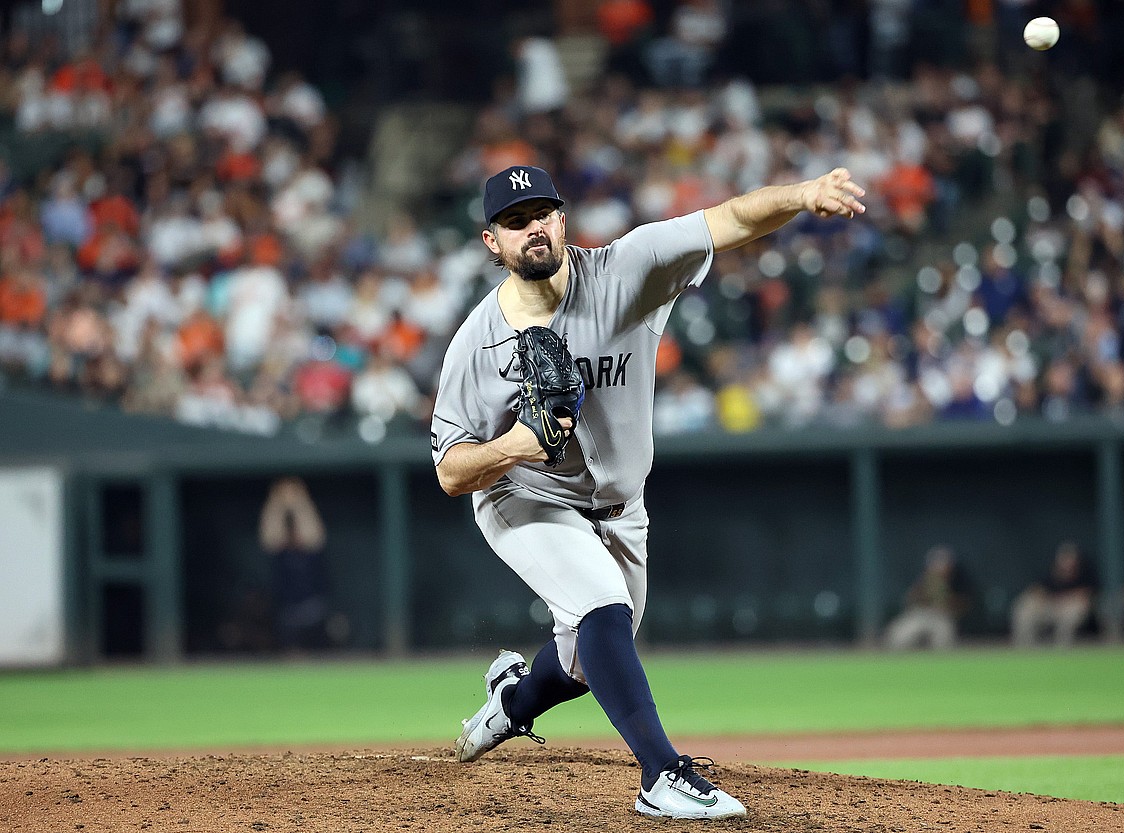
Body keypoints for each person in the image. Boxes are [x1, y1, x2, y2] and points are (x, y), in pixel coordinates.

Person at [432, 164, 866, 819]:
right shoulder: (476, 343)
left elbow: (732, 220)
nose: (534, 229)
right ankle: (661, 775)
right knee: (600, 605)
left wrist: (802, 196)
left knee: (589, 658)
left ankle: (511, 702)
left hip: (622, 509)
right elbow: (448, 470)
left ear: (562, 218)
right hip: (526, 498)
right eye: (515, 222)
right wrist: (515, 446)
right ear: (492, 242)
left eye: (542, 213)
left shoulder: (627, 269)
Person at [258, 476, 330, 651]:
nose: (294, 534)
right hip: (287, 611)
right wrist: (276, 501)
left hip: (313, 609)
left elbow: (314, 536)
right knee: (290, 650)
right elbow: (270, 538)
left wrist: (300, 501)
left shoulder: (310, 549)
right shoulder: (281, 550)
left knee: (318, 651)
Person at [1010, 541, 1098, 648]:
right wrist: (1045, 599)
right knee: (1025, 608)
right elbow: (1037, 590)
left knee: (1073, 611)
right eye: (1064, 559)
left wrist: (1062, 600)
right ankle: (1026, 650)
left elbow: (1085, 595)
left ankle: (1062, 651)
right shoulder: (1051, 573)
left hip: (1068, 607)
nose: (1067, 562)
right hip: (1050, 606)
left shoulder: (1084, 574)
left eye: (1070, 559)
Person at [882, 545, 970, 650]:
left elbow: (966, 605)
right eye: (936, 563)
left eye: (943, 564)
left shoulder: (959, 581)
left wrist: (947, 601)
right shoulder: (924, 578)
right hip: (921, 614)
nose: (940, 568)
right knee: (897, 638)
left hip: (944, 617)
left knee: (943, 643)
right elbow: (910, 599)